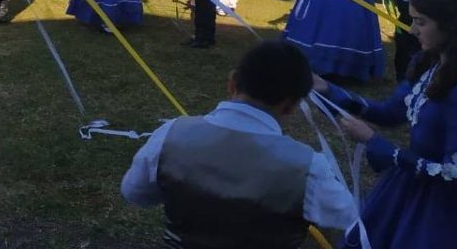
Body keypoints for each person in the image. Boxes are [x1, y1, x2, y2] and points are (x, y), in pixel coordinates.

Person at [314, 0, 457, 248]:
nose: (412, 29)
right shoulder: (430, 64)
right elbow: (390, 113)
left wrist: (375, 142)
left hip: (449, 207)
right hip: (409, 184)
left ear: (451, 26)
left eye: (421, 22)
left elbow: (454, 172)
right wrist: (327, 89)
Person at [122, 41, 357, 248]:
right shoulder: (307, 167)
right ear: (291, 106)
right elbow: (346, 216)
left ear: (232, 83)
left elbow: (135, 193)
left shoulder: (172, 134)